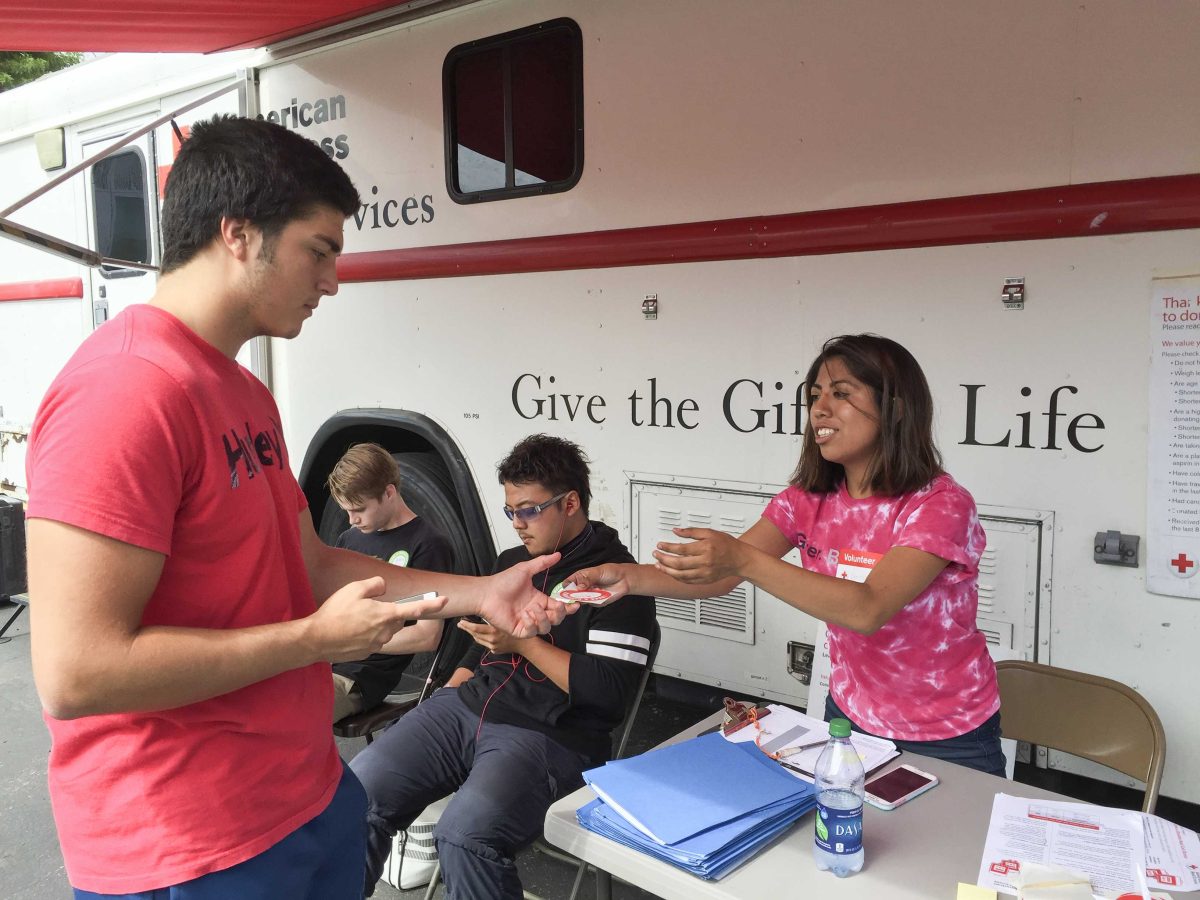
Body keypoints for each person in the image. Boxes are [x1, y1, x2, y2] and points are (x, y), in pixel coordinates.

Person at [23, 115, 564, 900]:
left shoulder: (241, 390)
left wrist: (483, 593)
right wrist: (313, 641)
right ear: (238, 233)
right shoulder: (123, 391)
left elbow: (304, 562)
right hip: (191, 842)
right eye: (320, 249)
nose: (333, 280)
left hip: (302, 797)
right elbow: (77, 672)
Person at [571, 334, 1004, 775]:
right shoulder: (806, 500)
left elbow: (868, 608)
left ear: (894, 408)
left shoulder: (938, 504)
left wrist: (743, 558)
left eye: (841, 394)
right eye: (815, 395)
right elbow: (721, 577)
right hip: (848, 718)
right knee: (849, 839)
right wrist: (626, 578)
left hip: (948, 735)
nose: (819, 408)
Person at [351, 434, 657, 899]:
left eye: (529, 510)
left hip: (548, 735)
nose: (517, 523)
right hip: (465, 707)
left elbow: (608, 694)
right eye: (510, 510)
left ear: (570, 503)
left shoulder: (619, 580)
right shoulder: (514, 562)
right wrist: (445, 696)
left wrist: (523, 643)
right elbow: (477, 644)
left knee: (464, 837)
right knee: (354, 795)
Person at [327, 442, 455, 722]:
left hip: (359, 677)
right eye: (346, 511)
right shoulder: (349, 538)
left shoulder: (428, 544)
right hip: (323, 662)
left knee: (288, 718)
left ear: (389, 492)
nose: (352, 519)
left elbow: (427, 636)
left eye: (359, 509)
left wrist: (356, 639)